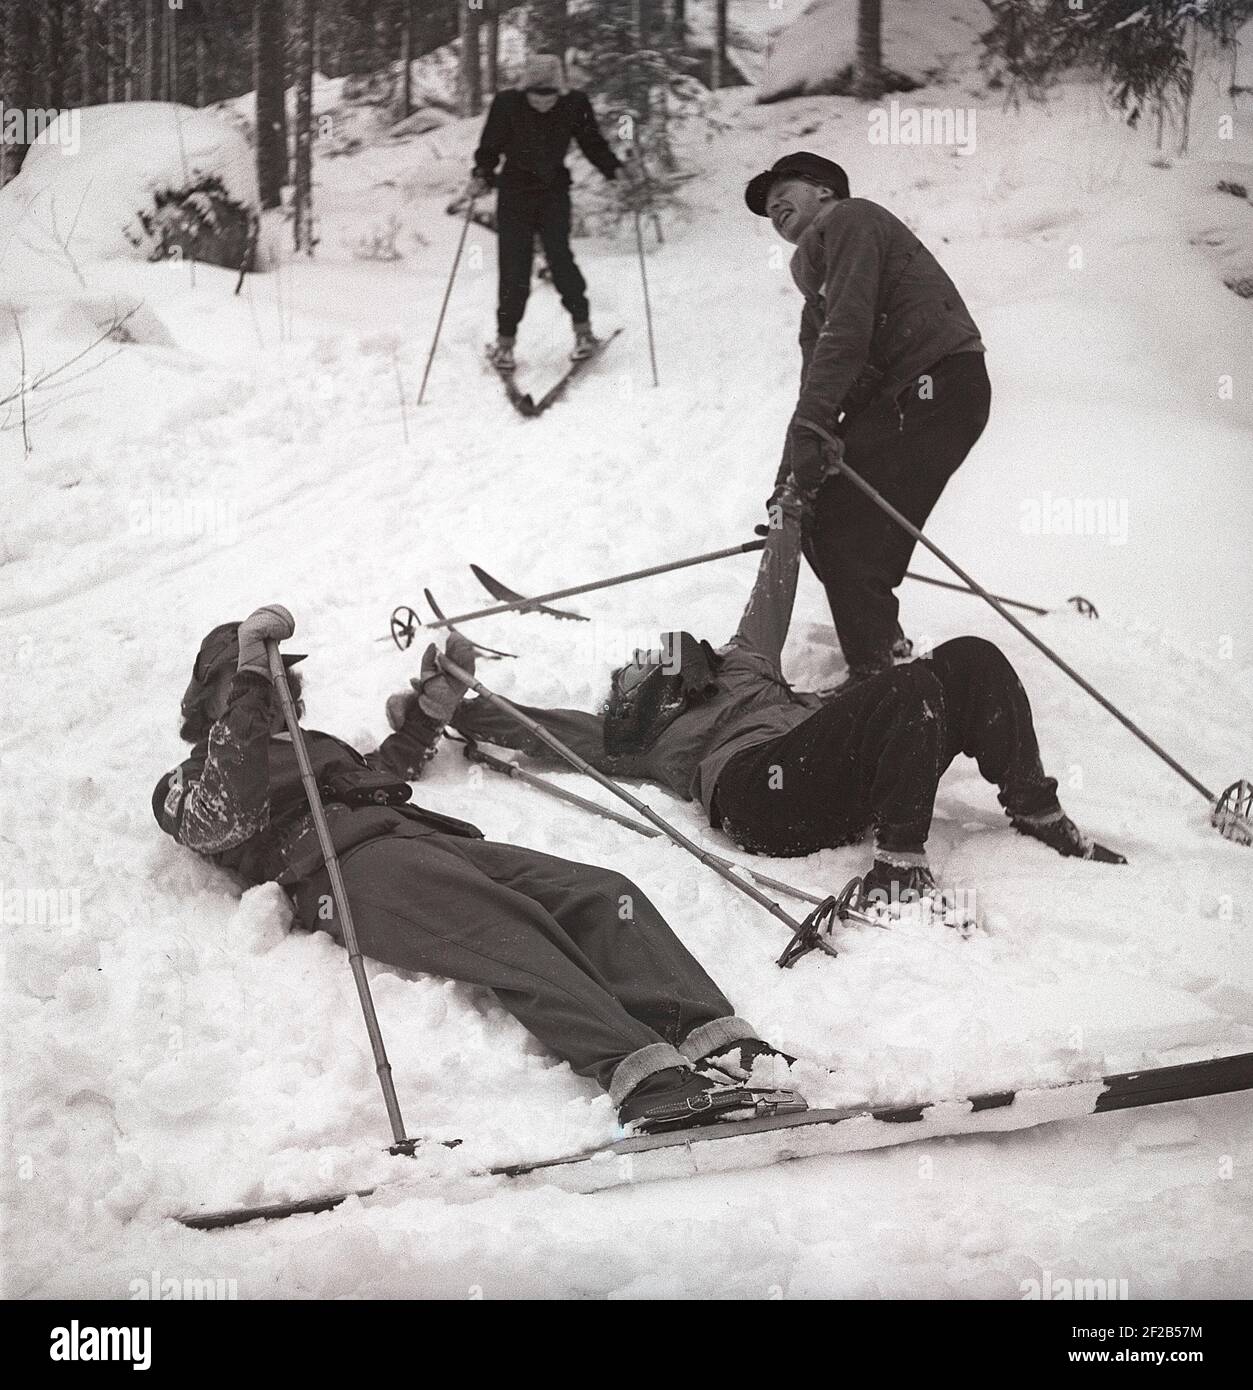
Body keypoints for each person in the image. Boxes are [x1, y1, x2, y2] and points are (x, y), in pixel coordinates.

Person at [152, 606, 804, 1133]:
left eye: (280, 676)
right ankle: (649, 1084)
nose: (279, 686)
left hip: (419, 842)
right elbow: (226, 813)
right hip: (339, 867)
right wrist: (247, 683)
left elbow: (383, 773)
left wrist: (436, 705)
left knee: (601, 893)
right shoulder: (185, 784)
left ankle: (715, 1044)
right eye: (261, 678)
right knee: (507, 928)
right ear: (217, 695)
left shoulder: (315, 746)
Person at [452, 501, 1126, 919]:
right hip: (758, 799)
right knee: (907, 689)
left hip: (830, 777)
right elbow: (534, 727)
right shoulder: (639, 741)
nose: (646, 670)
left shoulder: (743, 661)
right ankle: (897, 864)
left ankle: (1035, 807)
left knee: (969, 657)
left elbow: (767, 595)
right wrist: (459, 700)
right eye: (638, 675)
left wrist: (788, 524)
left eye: (652, 661)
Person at [745, 151, 990, 687]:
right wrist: (789, 483)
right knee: (821, 522)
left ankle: (881, 675)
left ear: (826, 191)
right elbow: (818, 383)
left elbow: (848, 333)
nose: (774, 204)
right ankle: (883, 661)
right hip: (905, 398)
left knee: (844, 528)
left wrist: (814, 437)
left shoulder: (852, 220)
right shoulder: (817, 296)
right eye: (767, 206)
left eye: (785, 187)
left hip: (939, 382)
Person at [467, 54, 633, 371]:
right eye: (536, 94)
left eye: (550, 95)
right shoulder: (506, 104)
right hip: (514, 193)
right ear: (525, 89)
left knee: (560, 259)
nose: (543, 102)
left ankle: (583, 334)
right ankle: (505, 346)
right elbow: (489, 147)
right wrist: (482, 175)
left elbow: (592, 143)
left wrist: (614, 170)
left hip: (553, 193)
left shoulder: (575, 104)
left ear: (561, 91)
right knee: (514, 268)